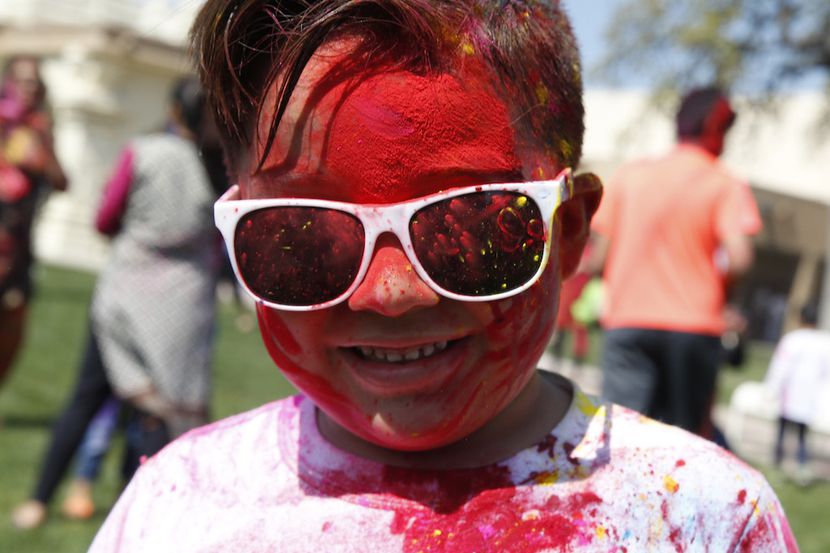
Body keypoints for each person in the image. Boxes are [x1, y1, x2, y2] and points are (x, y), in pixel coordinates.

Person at [90, 2, 796, 550]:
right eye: (303, 234)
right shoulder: (178, 508)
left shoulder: (706, 517)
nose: (391, 293)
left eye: (472, 225)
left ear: (570, 230)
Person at [11, 76, 220, 529]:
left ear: (174, 110)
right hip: (184, 305)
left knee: (87, 397)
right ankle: (138, 519)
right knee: (157, 415)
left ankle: (38, 500)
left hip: (125, 292)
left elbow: (106, 219)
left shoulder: (143, 152)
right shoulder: (220, 165)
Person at [589, 87, 762, 436]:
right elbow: (740, 259)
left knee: (621, 438)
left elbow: (598, 258)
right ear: (717, 132)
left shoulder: (630, 175)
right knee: (684, 446)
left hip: (628, 321)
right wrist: (723, 289)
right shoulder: (724, 182)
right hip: (694, 328)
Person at [0, 55, 67, 387]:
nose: (29, 88)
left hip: (19, 244)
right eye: (23, 81)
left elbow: (61, 182)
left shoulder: (41, 130)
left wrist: (43, 149)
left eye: (35, 83)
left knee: (14, 322)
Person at [765, 302, 830, 486]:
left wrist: (771, 388)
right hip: (809, 396)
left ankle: (777, 465)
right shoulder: (824, 342)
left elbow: (780, 367)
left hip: (791, 393)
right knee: (802, 434)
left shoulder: (792, 339)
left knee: (783, 431)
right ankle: (801, 466)